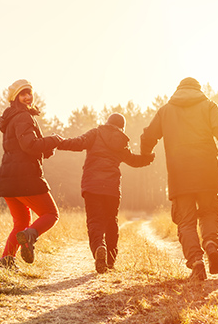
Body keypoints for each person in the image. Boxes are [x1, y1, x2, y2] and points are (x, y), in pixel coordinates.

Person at [141, 77, 218, 280]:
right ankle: (210, 243)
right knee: (209, 211)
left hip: (179, 174)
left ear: (178, 90)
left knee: (186, 220)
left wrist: (146, 154)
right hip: (206, 170)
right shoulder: (208, 106)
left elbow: (149, 135)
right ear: (198, 89)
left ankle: (196, 261)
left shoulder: (166, 110)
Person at [57, 113, 155, 273]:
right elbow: (133, 161)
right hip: (112, 189)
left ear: (107, 122)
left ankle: (98, 248)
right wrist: (148, 158)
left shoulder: (95, 133)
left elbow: (77, 143)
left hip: (92, 186)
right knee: (111, 222)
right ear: (122, 127)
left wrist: (58, 142)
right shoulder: (122, 142)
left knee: (94, 221)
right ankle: (110, 259)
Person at [0, 79, 64, 268]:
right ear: (15, 97)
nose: (27, 97)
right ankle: (29, 236)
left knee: (21, 222)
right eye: (22, 94)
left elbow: (24, 146)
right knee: (51, 214)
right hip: (24, 177)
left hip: (8, 179)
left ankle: (6, 260)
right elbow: (29, 145)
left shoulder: (11, 118)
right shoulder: (23, 117)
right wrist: (52, 140)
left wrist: (47, 147)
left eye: (29, 93)